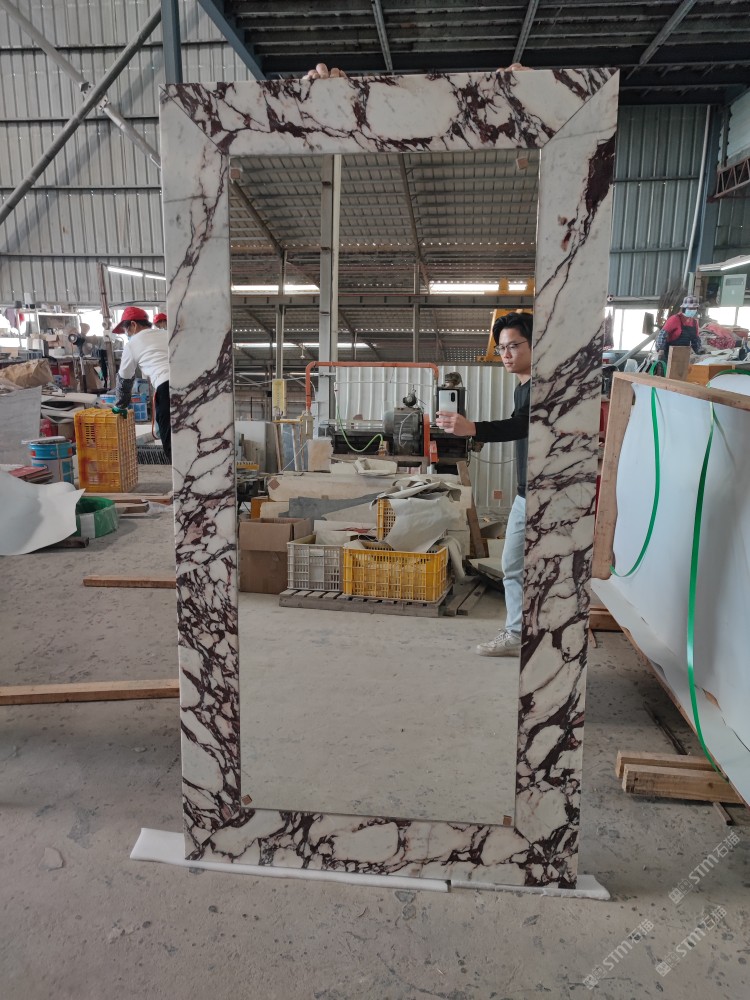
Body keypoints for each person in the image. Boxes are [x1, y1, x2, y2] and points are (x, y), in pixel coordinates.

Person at [436, 312, 532, 657]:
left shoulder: (541, 385)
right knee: (514, 567)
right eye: (502, 348)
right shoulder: (523, 386)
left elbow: (522, 424)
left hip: (542, 494)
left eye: (514, 346)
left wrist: (474, 429)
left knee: (518, 567)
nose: (506, 354)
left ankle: (520, 634)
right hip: (526, 492)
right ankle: (519, 633)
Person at [111, 306, 171, 461]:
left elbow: (124, 380)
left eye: (126, 331)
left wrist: (120, 405)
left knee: (172, 447)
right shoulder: (166, 334)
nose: (127, 335)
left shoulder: (132, 344)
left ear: (133, 324)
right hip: (191, 385)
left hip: (167, 389)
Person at [655, 295, 702, 364]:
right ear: (684, 308)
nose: (692, 310)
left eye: (694, 308)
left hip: (683, 354)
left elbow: (695, 339)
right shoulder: (675, 319)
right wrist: (660, 350)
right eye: (690, 308)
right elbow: (662, 334)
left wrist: (699, 351)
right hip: (669, 354)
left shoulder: (694, 323)